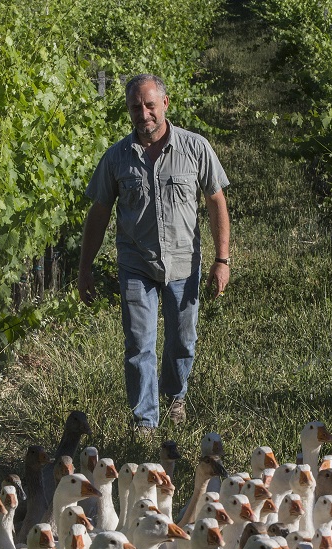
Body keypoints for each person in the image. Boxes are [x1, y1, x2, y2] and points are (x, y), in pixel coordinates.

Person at [77, 74, 230, 435]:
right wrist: (84, 269)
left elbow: (216, 202)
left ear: (165, 103)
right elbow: (98, 214)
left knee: (182, 339)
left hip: (182, 262)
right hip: (136, 263)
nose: (143, 113)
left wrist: (221, 260)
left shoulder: (196, 148)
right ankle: (145, 421)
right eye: (135, 107)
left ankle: (175, 396)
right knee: (138, 343)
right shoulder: (116, 158)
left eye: (149, 105)